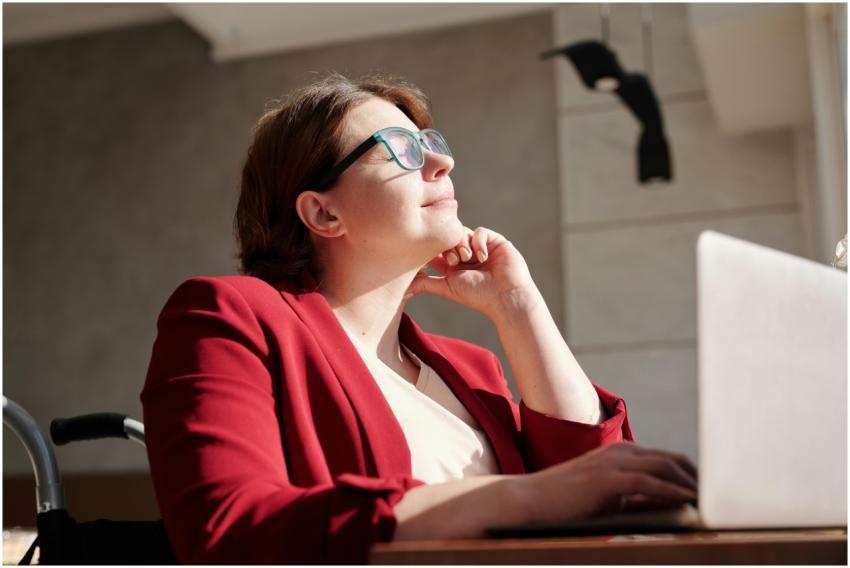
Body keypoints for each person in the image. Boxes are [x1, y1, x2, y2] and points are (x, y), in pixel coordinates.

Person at [141, 73, 698, 564]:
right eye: (402, 149)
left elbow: (598, 504)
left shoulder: (470, 368)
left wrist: (519, 307)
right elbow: (229, 533)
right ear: (323, 212)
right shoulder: (230, 315)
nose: (442, 163)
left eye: (431, 143)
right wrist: (523, 496)